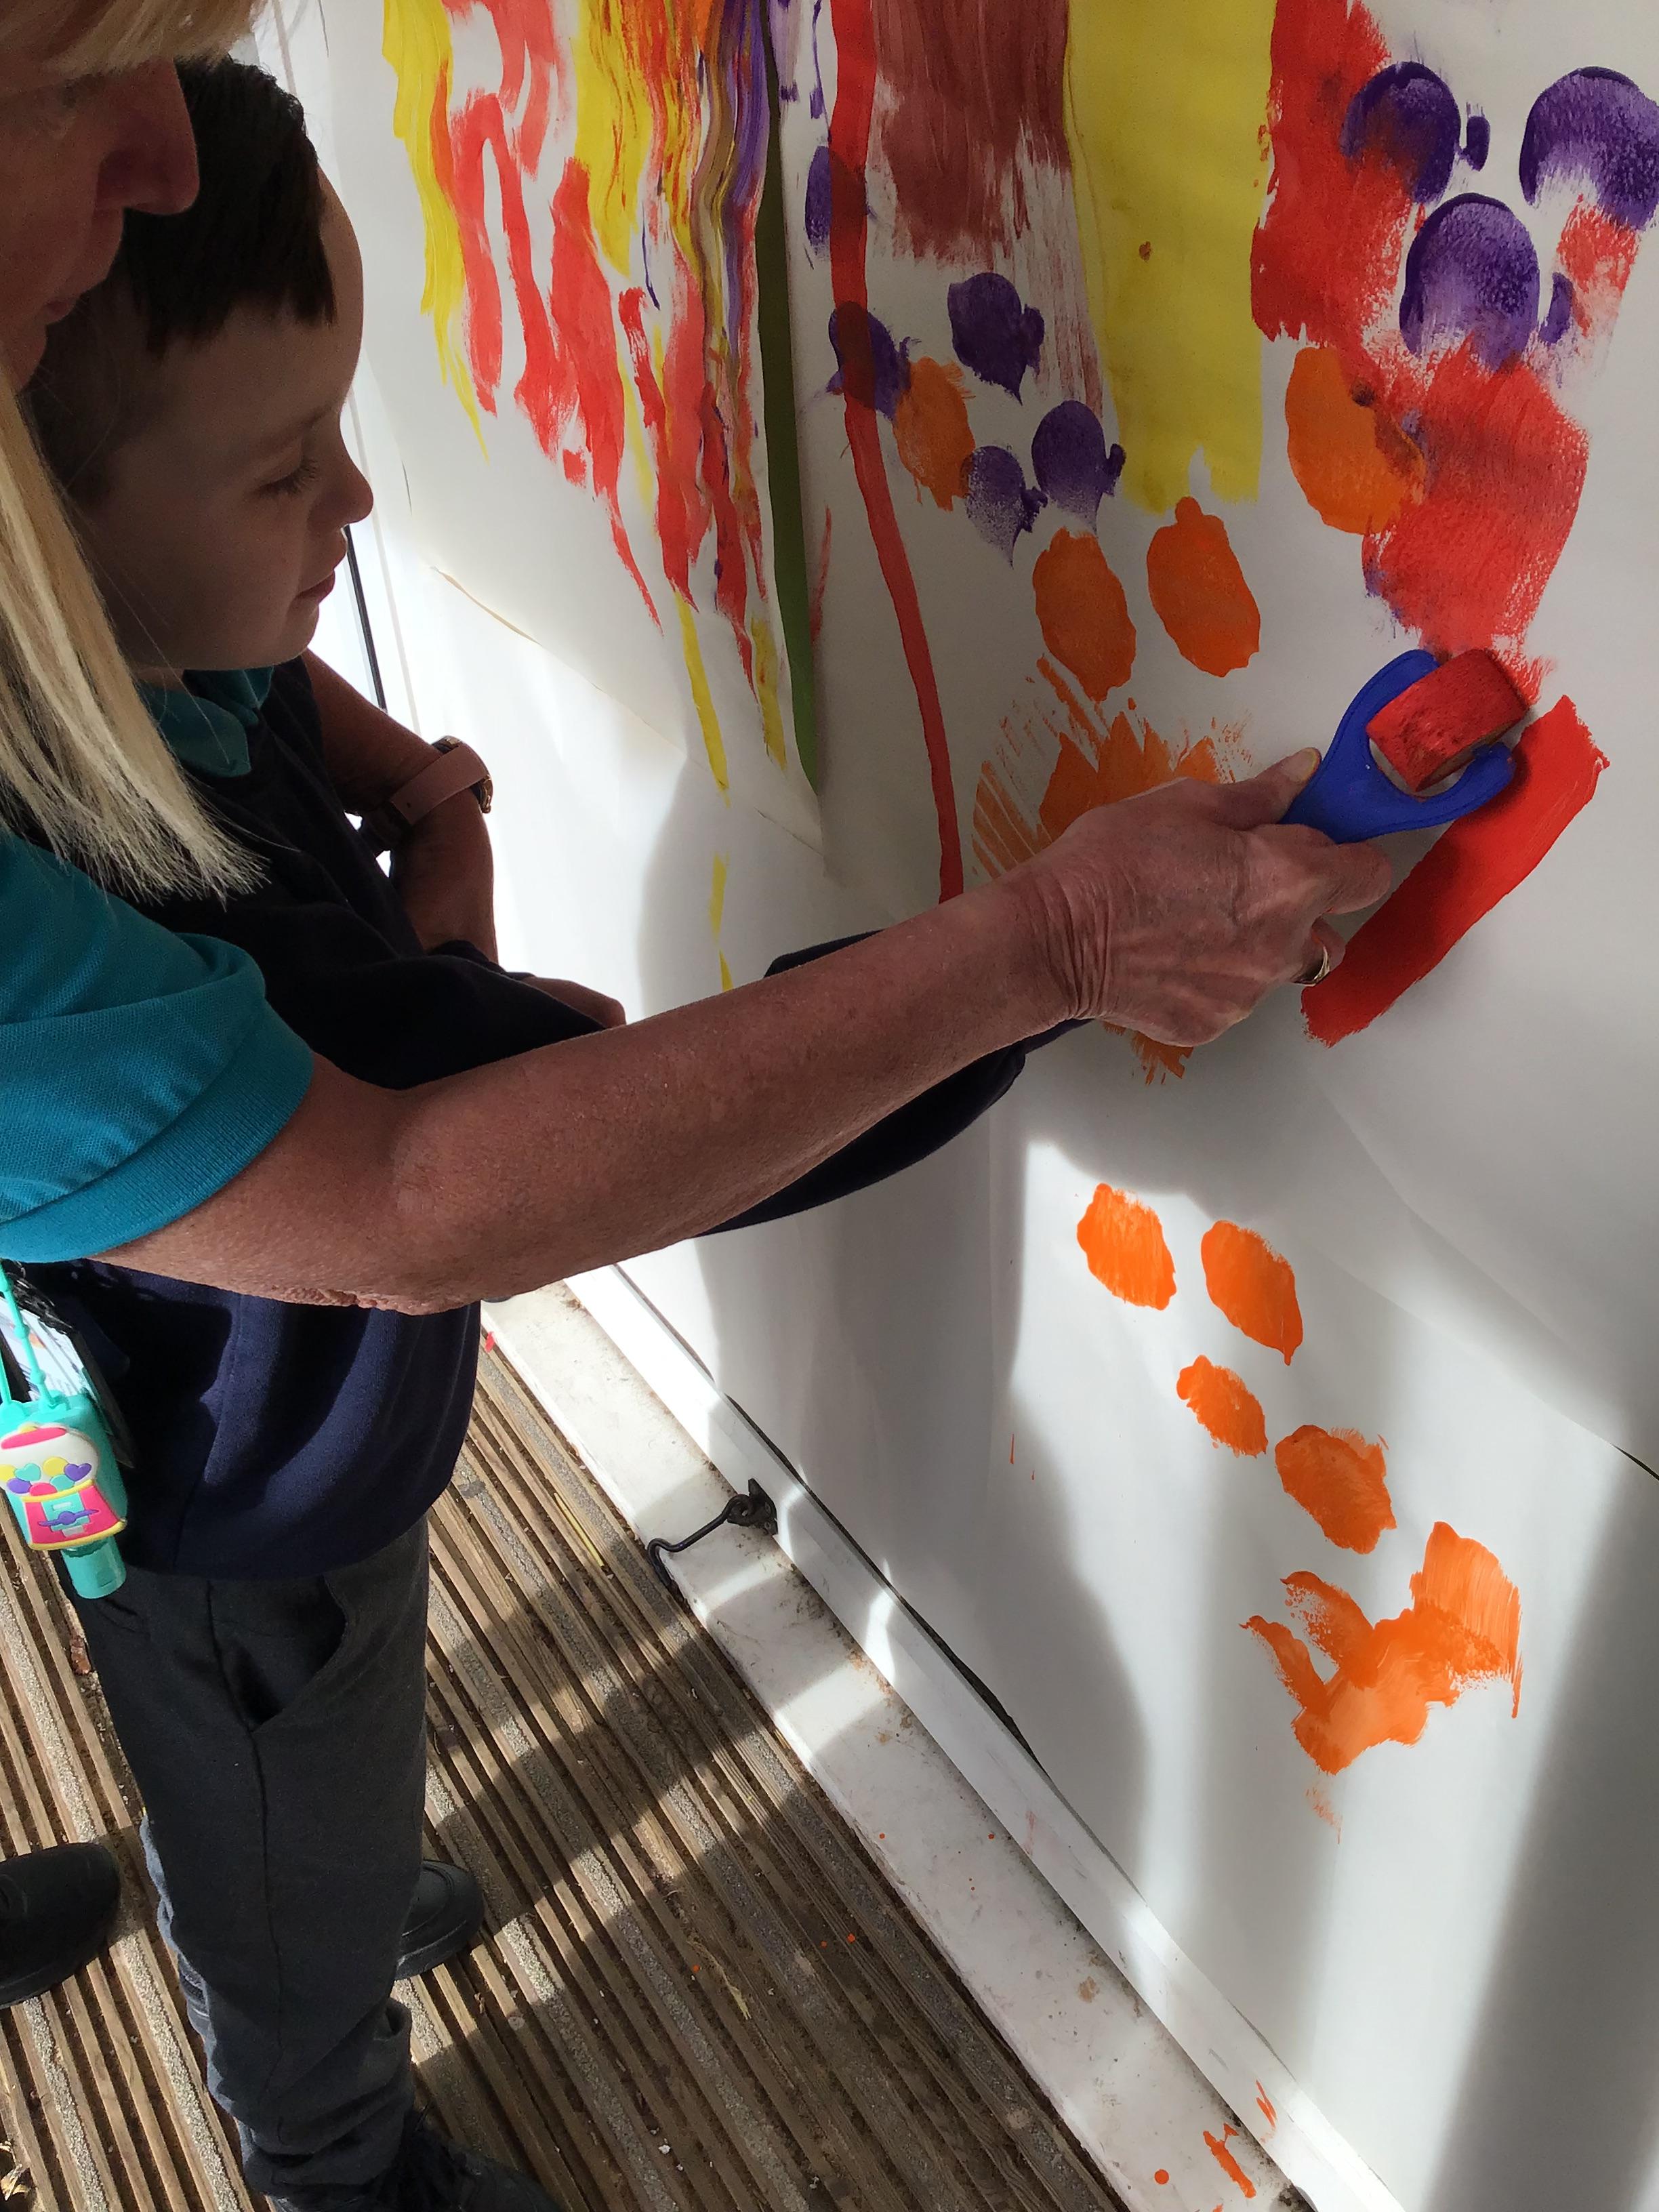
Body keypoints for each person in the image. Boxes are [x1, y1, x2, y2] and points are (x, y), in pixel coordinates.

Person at [0, 0, 1388, 2200]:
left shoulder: (139, 653)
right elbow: (537, 1147)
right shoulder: (180, 913)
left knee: (330, 1744)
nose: (358, 505)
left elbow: (245, 688)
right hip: (227, 1509)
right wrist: (1048, 956)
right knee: (274, 1787)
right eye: (289, 474)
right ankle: (322, 2131)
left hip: (304, 1440)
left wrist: (401, 776)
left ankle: (306, 1889)